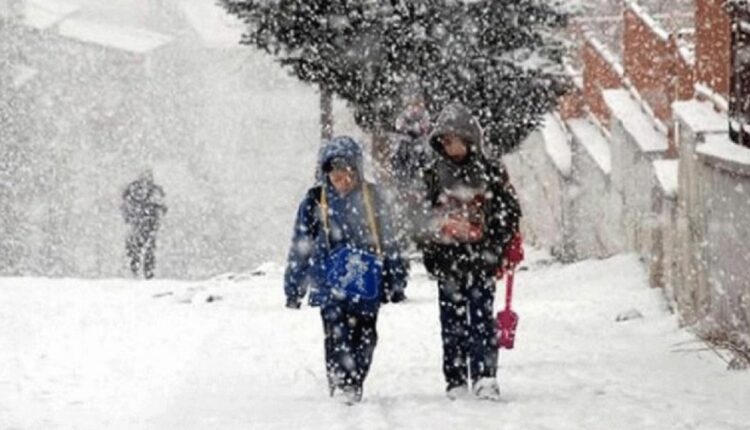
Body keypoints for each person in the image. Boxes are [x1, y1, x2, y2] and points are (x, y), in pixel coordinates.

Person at [283, 136, 407, 404]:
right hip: (330, 282)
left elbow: (389, 241)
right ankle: (341, 381)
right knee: (336, 334)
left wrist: (396, 279)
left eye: (348, 175)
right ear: (326, 174)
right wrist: (294, 286)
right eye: (336, 176)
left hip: (367, 282)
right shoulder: (315, 201)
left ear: (357, 171)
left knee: (365, 335)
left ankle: (355, 379)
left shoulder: (373, 198)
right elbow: (301, 245)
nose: (343, 181)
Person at [420, 103, 523, 401]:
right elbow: (421, 216)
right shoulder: (433, 175)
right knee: (451, 323)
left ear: (469, 140)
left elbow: (508, 212)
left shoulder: (490, 172)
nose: (450, 147)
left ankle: (485, 375)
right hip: (448, 261)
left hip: (481, 260)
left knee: (481, 320)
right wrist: (434, 240)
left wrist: (496, 244)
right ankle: (455, 379)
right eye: (445, 142)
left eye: (454, 141)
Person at [121, 169, 167, 279]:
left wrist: (129, 216)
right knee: (147, 248)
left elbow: (125, 204)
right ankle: (145, 272)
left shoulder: (133, 189)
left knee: (136, 248)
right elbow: (162, 207)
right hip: (146, 223)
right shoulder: (155, 190)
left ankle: (136, 271)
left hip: (139, 223)